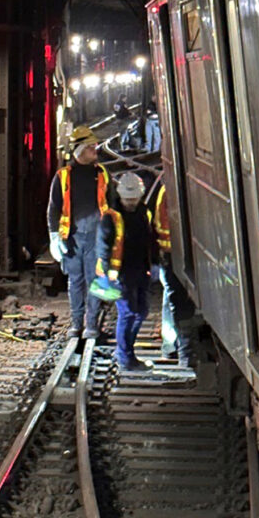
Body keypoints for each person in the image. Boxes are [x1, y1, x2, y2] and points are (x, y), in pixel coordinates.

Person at [47, 126, 112, 339]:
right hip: (73, 237)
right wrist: (55, 236)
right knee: (75, 281)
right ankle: (77, 324)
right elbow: (54, 208)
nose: (96, 149)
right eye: (91, 146)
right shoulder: (63, 176)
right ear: (80, 150)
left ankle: (91, 325)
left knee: (94, 280)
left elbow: (112, 206)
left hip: (96, 237)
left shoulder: (101, 174)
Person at [96, 172, 154, 371]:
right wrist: (109, 274)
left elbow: (148, 238)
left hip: (139, 269)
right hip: (120, 273)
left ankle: (126, 351)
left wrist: (154, 262)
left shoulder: (143, 212)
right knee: (128, 313)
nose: (131, 203)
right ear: (121, 196)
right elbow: (103, 248)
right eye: (128, 199)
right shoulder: (110, 218)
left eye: (134, 199)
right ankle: (125, 357)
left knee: (141, 312)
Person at [152, 182, 195, 369]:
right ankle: (182, 351)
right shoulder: (168, 192)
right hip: (172, 256)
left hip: (171, 255)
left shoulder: (166, 191)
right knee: (178, 301)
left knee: (170, 300)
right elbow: (162, 226)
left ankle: (170, 346)